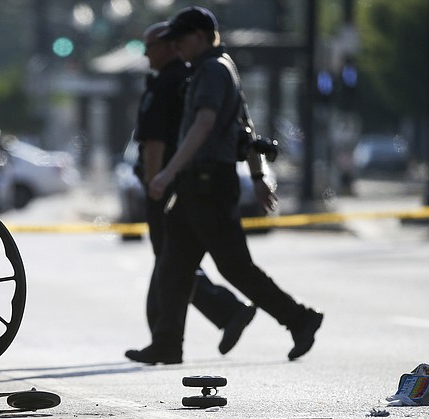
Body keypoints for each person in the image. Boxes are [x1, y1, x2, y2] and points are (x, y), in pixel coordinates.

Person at [125, 6, 323, 365]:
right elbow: (246, 132)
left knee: (234, 268)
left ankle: (300, 318)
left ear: (200, 36)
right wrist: (258, 176)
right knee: (174, 265)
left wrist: (167, 173)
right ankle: (167, 343)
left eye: (180, 40)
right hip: (195, 187)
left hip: (210, 185)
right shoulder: (210, 69)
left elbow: (205, 125)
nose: (177, 48)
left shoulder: (214, 71)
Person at [131, 21, 256, 357]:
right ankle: (170, 338)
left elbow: (156, 140)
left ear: (170, 46)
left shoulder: (174, 82)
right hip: (179, 181)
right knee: (175, 261)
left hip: (171, 184)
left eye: (151, 46)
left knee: (177, 261)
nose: (146, 54)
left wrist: (155, 182)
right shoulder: (185, 79)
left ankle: (226, 313)